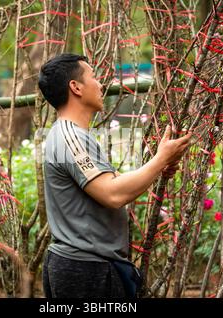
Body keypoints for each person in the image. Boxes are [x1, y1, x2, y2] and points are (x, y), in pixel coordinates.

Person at [38, 53, 191, 298]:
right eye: (93, 77)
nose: (101, 84)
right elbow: (113, 194)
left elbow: (114, 182)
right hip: (84, 272)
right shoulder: (70, 138)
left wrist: (159, 166)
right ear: (75, 87)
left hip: (90, 266)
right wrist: (161, 158)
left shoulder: (74, 135)